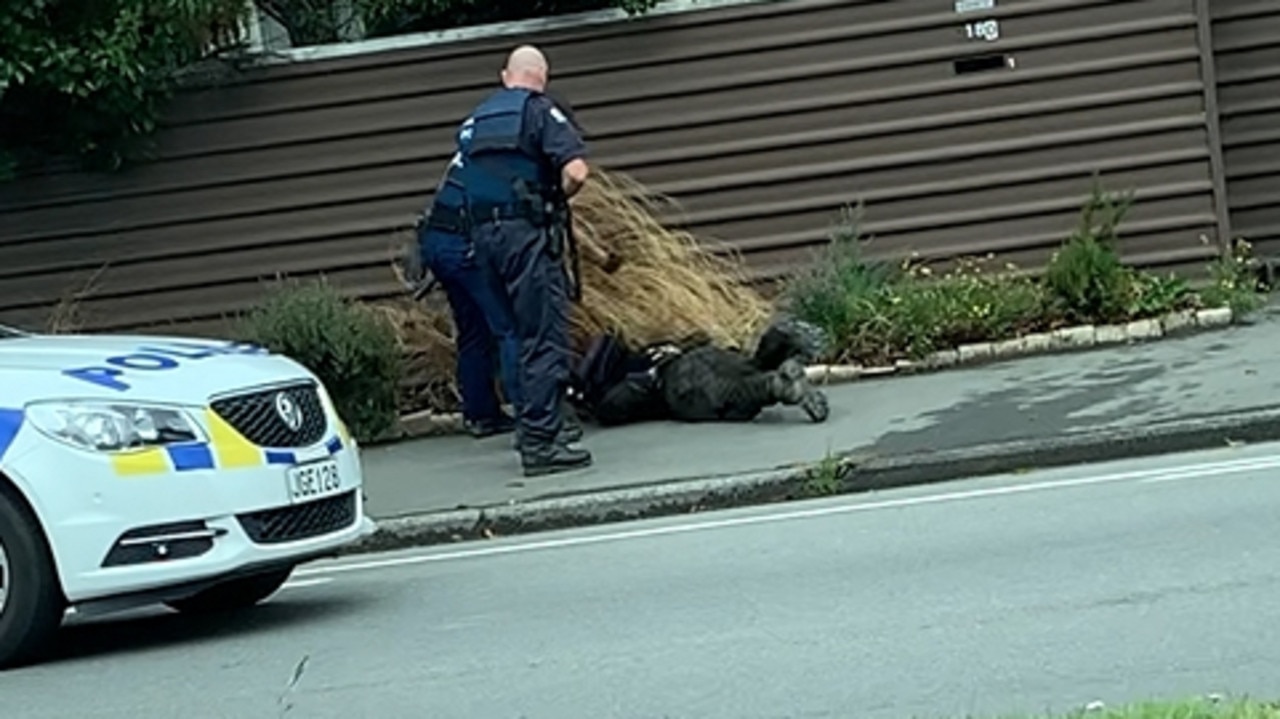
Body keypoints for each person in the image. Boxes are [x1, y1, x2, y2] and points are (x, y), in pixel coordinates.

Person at [450, 44, 593, 477]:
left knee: (512, 334)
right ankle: (540, 442)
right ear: (542, 78)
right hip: (525, 240)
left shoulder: (475, 120)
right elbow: (577, 172)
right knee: (542, 335)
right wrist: (554, 202)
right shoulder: (540, 112)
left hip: (480, 242)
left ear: (504, 75)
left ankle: (531, 431)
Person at [568, 317, 832, 427]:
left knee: (732, 395)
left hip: (677, 381)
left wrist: (598, 410)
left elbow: (617, 405)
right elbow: (700, 337)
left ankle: (776, 386)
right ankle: (777, 342)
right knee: (749, 367)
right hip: (704, 355)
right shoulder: (649, 349)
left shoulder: (620, 381)